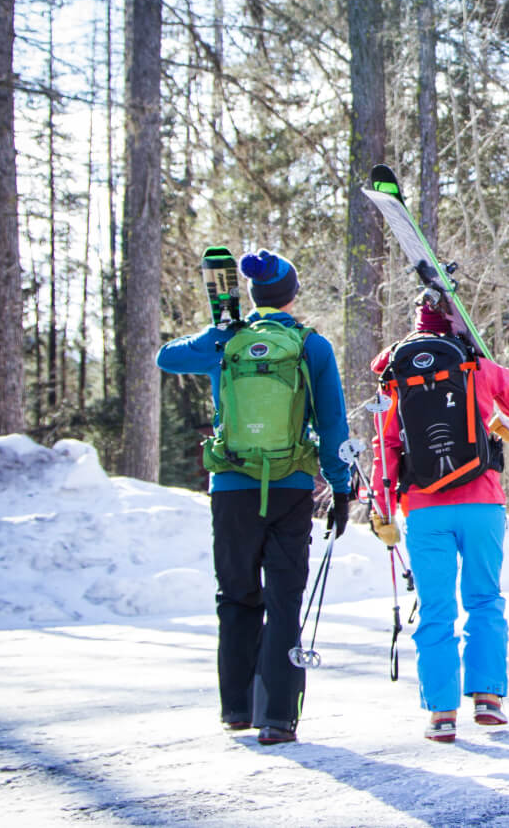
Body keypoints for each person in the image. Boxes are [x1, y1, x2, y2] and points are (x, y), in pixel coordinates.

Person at [157, 249, 353, 746]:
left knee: (237, 595)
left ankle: (237, 710)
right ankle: (278, 717)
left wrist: (218, 331)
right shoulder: (312, 346)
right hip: (290, 486)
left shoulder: (227, 343)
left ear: (254, 295)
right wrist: (341, 486)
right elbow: (331, 424)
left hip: (231, 487)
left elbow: (167, 358)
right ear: (292, 295)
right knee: (284, 598)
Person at [369, 297, 509, 743]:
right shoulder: (477, 367)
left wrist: (382, 505)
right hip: (482, 504)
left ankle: (441, 714)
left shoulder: (397, 377)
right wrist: (492, 375)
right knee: (484, 600)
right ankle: (488, 698)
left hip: (424, 509)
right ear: (459, 329)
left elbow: (386, 447)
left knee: (435, 609)